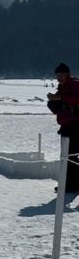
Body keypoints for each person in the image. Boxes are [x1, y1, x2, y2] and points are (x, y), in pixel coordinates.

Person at [47, 62, 79, 196]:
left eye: (61, 75)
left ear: (67, 74)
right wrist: (53, 104)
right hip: (66, 126)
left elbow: (76, 99)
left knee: (71, 156)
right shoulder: (62, 88)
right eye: (57, 75)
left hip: (76, 126)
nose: (59, 78)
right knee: (66, 156)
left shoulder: (75, 84)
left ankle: (72, 185)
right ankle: (69, 183)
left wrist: (58, 98)